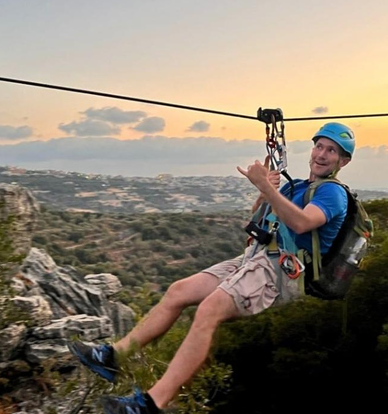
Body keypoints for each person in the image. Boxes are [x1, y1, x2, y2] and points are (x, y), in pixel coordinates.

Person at [68, 122, 356, 414]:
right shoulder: (300, 187)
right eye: (319, 146)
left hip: (280, 273)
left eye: (331, 151)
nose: (322, 154)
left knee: (209, 310)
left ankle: (150, 404)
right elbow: (263, 215)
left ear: (342, 161)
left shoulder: (333, 194)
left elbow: (302, 223)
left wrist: (267, 186)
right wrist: (265, 189)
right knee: (179, 291)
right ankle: (114, 357)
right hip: (256, 258)